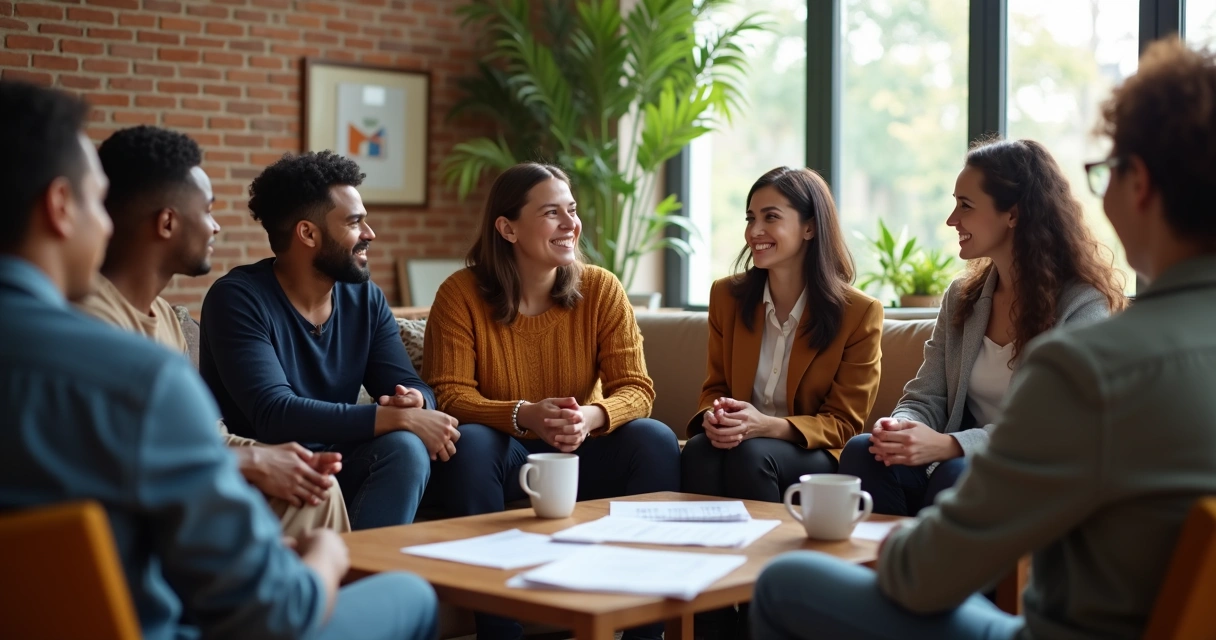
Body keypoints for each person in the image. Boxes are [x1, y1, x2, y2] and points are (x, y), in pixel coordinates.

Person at [751, 37, 1216, 640]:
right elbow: (929, 393)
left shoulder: (1092, 365)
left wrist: (900, 539)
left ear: (1141, 184)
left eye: (1106, 172)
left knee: (786, 583)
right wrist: (909, 432)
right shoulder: (972, 299)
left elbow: (921, 575)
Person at [0, 80, 436, 640]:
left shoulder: (137, 351)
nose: (107, 225)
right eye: (95, 202)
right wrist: (326, 556)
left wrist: (410, 404)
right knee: (411, 594)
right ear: (60, 207)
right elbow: (271, 615)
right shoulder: (137, 376)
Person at [422, 162, 680, 640]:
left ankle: (645, 631)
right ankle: (500, 630)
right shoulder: (460, 295)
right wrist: (525, 414)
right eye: (551, 213)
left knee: (655, 439)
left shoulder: (601, 288)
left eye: (572, 210)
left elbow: (638, 389)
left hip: (581, 443)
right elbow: (451, 395)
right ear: (507, 227)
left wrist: (591, 415)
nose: (570, 224)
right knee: (472, 445)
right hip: (509, 447)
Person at [77, 125, 351, 537]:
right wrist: (255, 462)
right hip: (143, 514)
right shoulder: (88, 322)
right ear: (167, 222)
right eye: (207, 210)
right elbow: (113, 454)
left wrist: (279, 457)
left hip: (190, 488)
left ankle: (318, 592)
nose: (216, 227)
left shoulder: (167, 317)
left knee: (317, 487)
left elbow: (206, 435)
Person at [837, 138, 1126, 517]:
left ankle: (930, 572)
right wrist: (900, 429)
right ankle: (887, 568)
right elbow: (926, 397)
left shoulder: (1082, 303)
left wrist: (951, 446)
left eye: (965, 206)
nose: (952, 219)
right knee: (863, 451)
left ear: (1014, 214)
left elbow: (1056, 425)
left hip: (1034, 472)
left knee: (957, 473)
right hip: (955, 464)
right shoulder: (963, 297)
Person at [199, 150, 457, 530]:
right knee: (404, 437)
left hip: (340, 463)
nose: (369, 234)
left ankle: (366, 573)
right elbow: (274, 414)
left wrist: (416, 401)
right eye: (355, 223)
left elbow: (412, 384)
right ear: (308, 233)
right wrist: (394, 417)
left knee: (406, 448)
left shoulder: (364, 298)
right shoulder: (237, 299)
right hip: (267, 477)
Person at [681, 167, 883, 502]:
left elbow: (843, 423)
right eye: (750, 218)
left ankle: (767, 553)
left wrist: (764, 426)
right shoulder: (726, 297)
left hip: (812, 450)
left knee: (753, 455)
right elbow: (716, 387)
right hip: (744, 440)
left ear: (810, 227)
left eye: (770, 217)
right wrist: (715, 417)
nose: (754, 231)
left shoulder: (858, 312)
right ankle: (704, 552)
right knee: (700, 450)